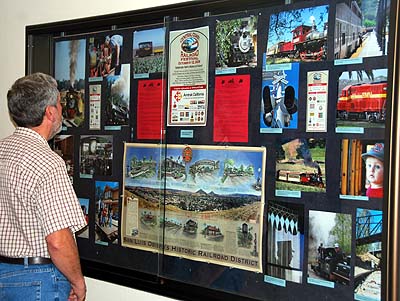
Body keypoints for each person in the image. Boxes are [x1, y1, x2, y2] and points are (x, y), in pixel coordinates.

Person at [0, 73, 87, 301]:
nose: (61, 108)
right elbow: (57, 240)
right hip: (37, 281)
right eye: (59, 103)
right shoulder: (47, 162)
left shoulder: (2, 150)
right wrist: (78, 282)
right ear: (50, 112)